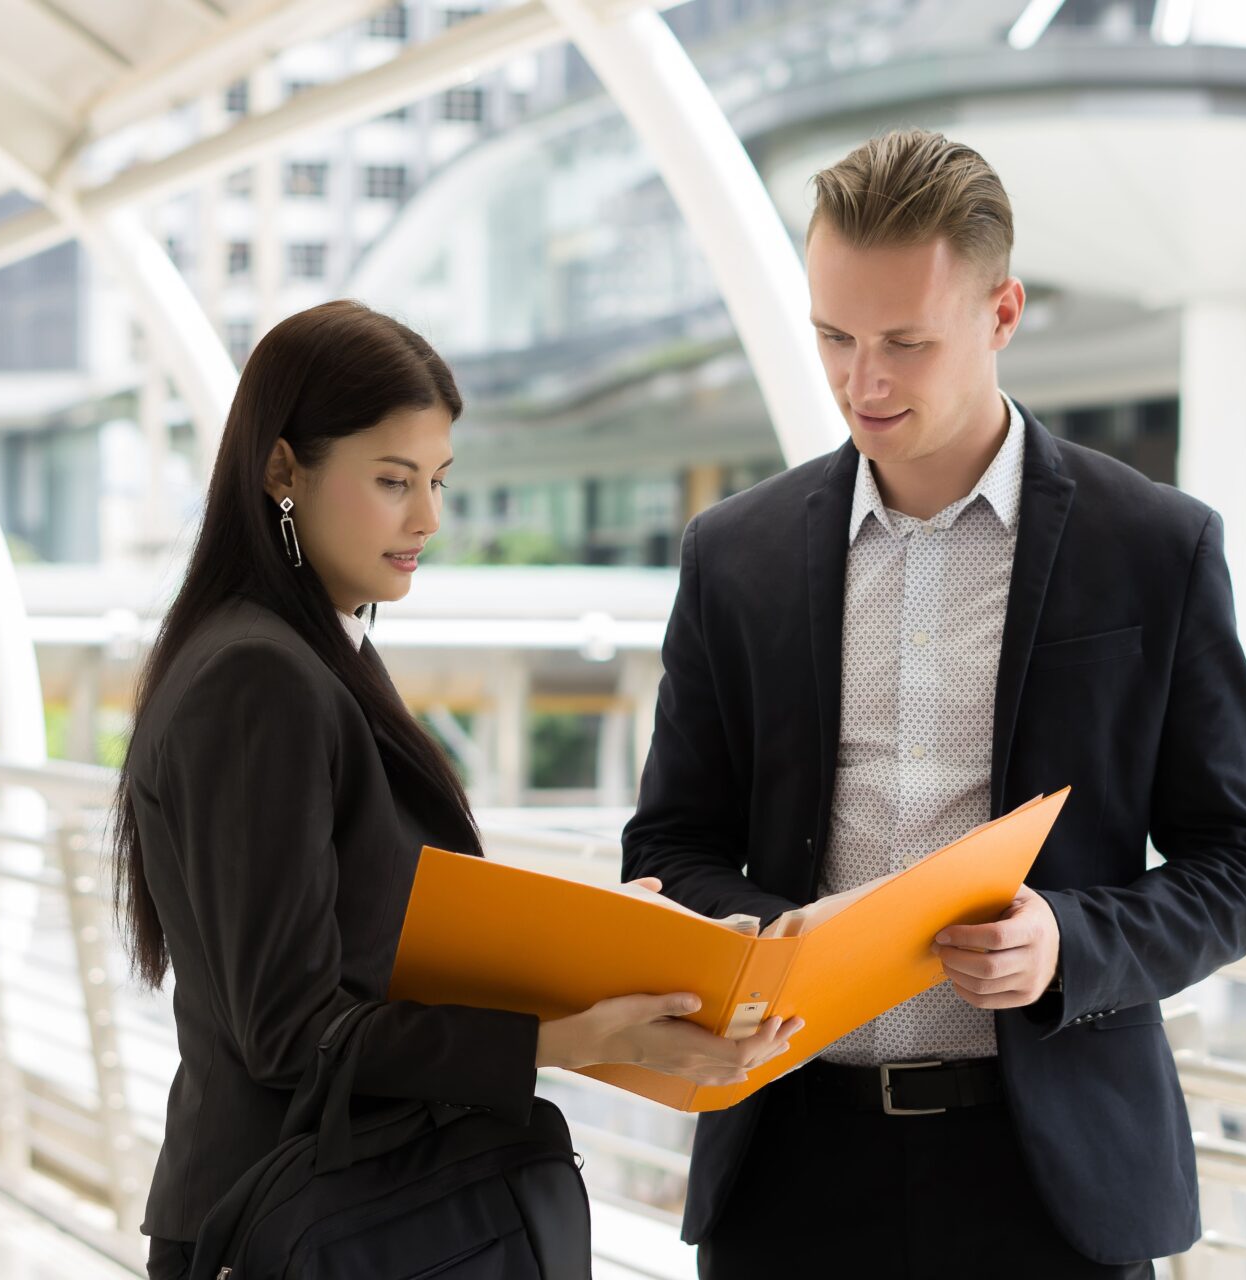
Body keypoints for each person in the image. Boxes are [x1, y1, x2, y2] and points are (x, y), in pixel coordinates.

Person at [622, 129, 1246, 1277]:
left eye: (906, 342)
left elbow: (1245, 865)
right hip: (790, 1167)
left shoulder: (1155, 548)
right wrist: (754, 938)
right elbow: (671, 842)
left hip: (1051, 1183)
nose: (863, 381)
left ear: (1002, 312)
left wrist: (1068, 940)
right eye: (834, 336)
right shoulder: (735, 555)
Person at [108, 300, 803, 1280]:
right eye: (393, 481)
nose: (427, 519)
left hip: (337, 1210)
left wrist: (601, 951)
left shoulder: (313, 651)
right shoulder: (261, 677)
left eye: (436, 480)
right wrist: (563, 1038)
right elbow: (292, 1033)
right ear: (282, 471)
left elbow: (373, 942)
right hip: (289, 1224)